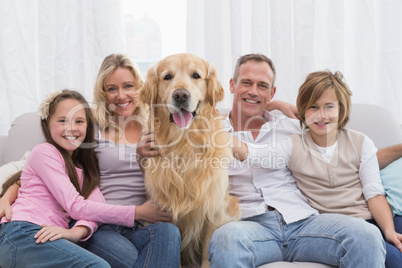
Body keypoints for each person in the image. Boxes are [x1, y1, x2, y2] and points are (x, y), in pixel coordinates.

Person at [0, 54, 182, 268]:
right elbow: (33, 170)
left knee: (169, 231)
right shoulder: (86, 131)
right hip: (104, 224)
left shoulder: (159, 126)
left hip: (140, 222)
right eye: (111, 88)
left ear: (140, 87)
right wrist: (6, 197)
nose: (121, 95)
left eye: (129, 86)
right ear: (103, 93)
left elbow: (184, 166)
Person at [207, 53, 388, 268]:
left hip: (303, 222)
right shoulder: (210, 133)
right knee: (225, 239)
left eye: (262, 86)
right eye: (246, 83)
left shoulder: (292, 127)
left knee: (366, 235)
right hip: (250, 226)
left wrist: (278, 105)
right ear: (232, 85)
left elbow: (354, 151)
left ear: (271, 92)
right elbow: (174, 146)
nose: (254, 91)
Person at [0, 90, 139, 267]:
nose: (71, 128)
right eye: (62, 120)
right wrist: (138, 212)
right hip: (21, 232)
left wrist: (77, 232)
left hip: (46, 236)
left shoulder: (84, 172)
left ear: (88, 127)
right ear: (47, 124)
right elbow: (76, 206)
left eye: (79, 121)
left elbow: (97, 209)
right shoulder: (44, 151)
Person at [284, 70, 401, 267]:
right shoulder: (291, 145)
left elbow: (374, 192)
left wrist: (389, 231)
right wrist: (276, 104)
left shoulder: (360, 142)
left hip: (372, 218)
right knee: (394, 260)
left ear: (341, 109)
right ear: (303, 110)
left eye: (329, 107)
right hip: (336, 229)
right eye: (313, 107)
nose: (322, 115)